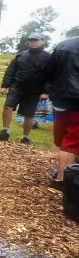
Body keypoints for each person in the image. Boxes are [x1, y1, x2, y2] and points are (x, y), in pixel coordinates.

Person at [0, 33, 51, 145]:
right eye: (31, 40)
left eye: (36, 40)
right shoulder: (21, 55)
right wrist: (5, 85)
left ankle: (25, 137)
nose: (33, 42)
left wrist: (46, 91)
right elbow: (10, 71)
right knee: (7, 107)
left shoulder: (48, 58)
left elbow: (50, 75)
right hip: (17, 86)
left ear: (42, 42)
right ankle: (5, 131)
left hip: (34, 90)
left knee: (29, 114)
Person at [42, 36, 79, 193]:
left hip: (61, 98)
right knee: (72, 142)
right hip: (74, 100)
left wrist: (50, 90)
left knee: (63, 139)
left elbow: (48, 71)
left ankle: (67, 174)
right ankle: (63, 181)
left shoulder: (64, 44)